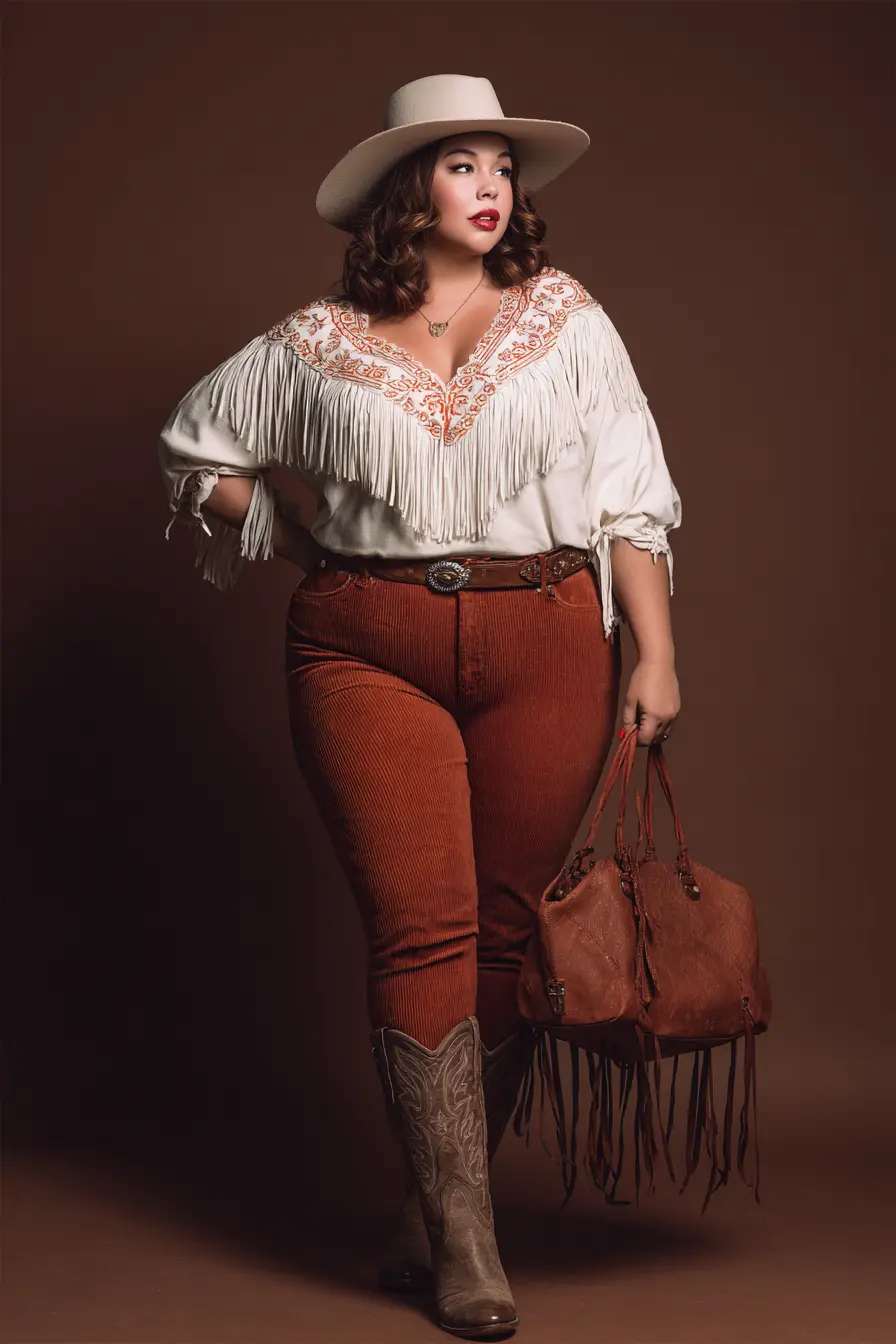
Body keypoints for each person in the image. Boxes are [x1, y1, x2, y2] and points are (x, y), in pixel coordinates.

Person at [158, 73, 682, 1341]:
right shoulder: (316, 341)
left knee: (506, 932)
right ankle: (464, 1240)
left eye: (502, 166)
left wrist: (653, 655)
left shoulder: (564, 322)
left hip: (548, 633)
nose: (491, 188)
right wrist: (302, 539)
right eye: (461, 165)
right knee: (421, 928)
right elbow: (196, 449)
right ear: (408, 190)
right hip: (363, 643)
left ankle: (432, 1208)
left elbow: (629, 494)